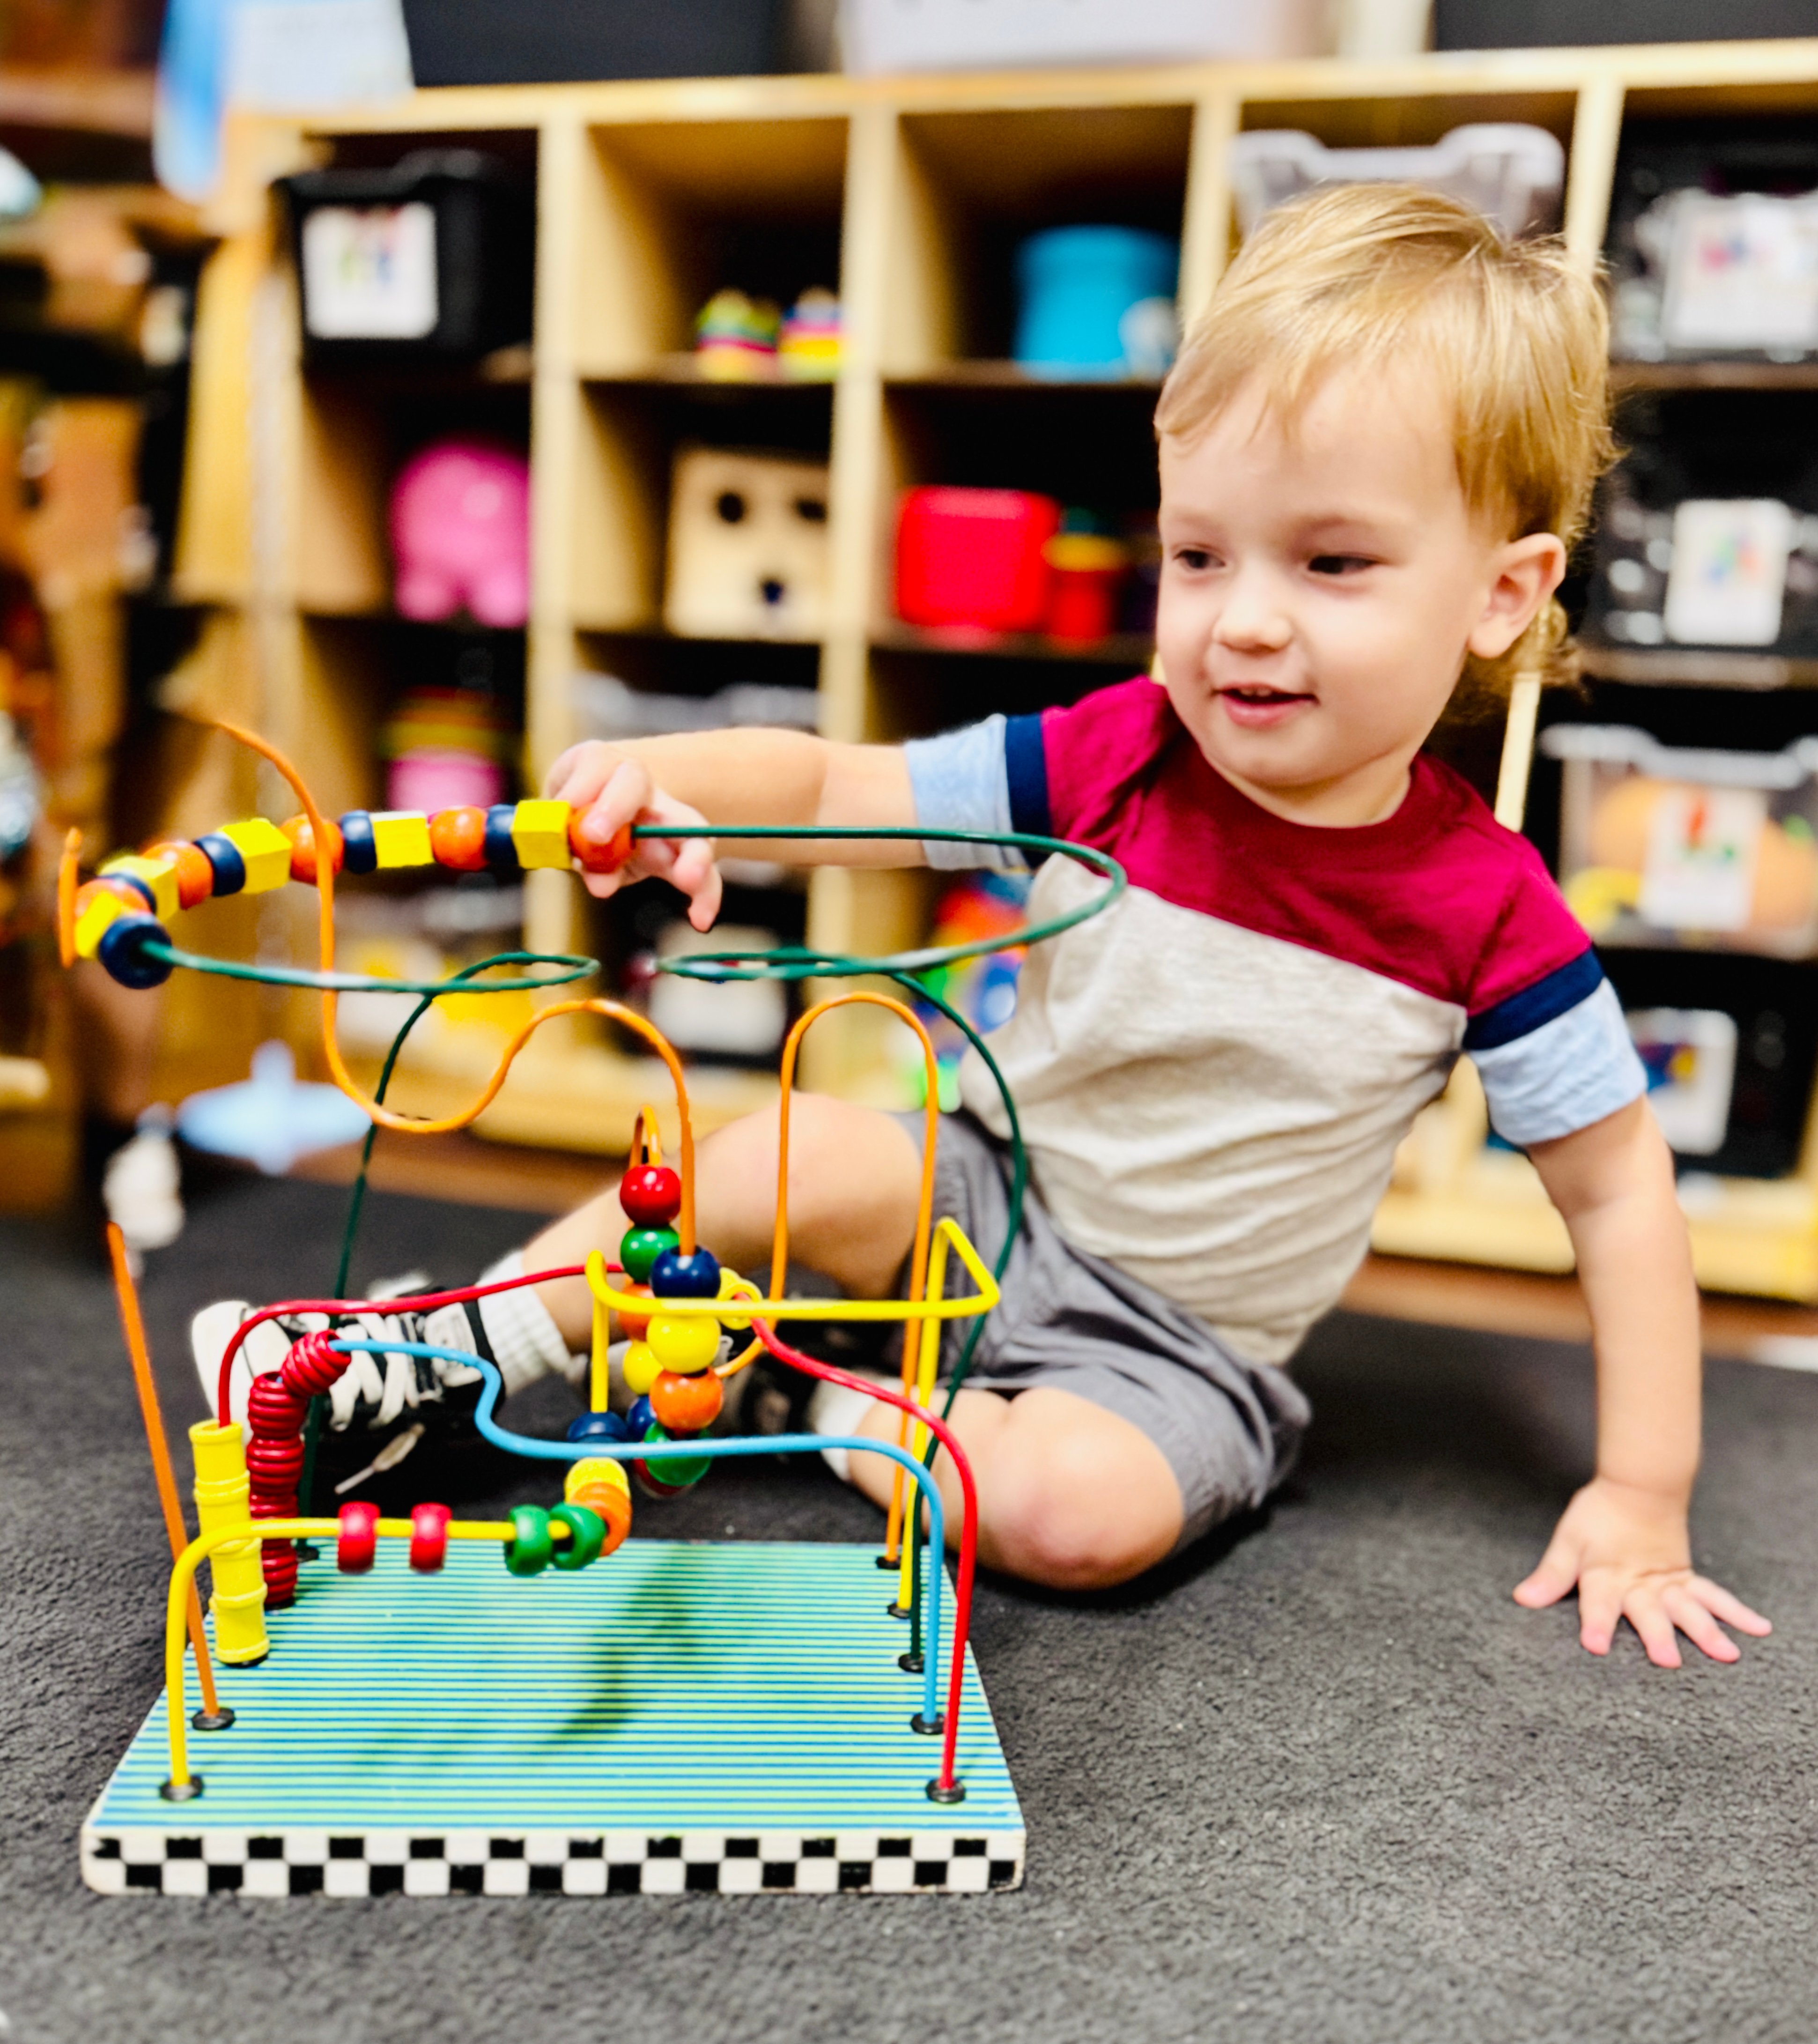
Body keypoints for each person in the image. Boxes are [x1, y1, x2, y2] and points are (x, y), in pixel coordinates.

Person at [194, 185, 1767, 1668]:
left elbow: (1621, 1202)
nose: (1245, 618)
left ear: (1502, 596)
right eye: (1199, 554)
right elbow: (833, 784)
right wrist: (664, 781)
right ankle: (433, 1364)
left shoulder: (1494, 914)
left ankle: (820, 1391)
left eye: (1332, 562)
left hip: (1170, 1353)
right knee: (764, 1157)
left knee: (1075, 1520)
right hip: (979, 1197)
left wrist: (1638, 1494)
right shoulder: (1111, 753)